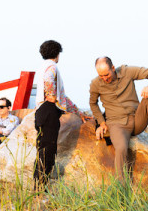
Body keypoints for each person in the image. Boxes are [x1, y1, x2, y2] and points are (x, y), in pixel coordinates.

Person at [90, 56, 148, 179]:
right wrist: (102, 123)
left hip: (137, 119)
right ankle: (121, 190)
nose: (104, 79)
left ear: (113, 68)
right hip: (117, 124)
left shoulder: (127, 71)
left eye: (106, 75)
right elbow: (93, 104)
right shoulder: (95, 84)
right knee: (121, 149)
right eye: (101, 76)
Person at [33, 40, 89, 190]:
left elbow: (63, 98)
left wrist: (78, 112)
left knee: (42, 149)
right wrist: (51, 94)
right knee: (48, 150)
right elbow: (50, 82)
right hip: (49, 110)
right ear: (57, 54)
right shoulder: (52, 66)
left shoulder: (42, 67)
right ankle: (40, 189)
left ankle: (38, 186)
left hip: (40, 111)